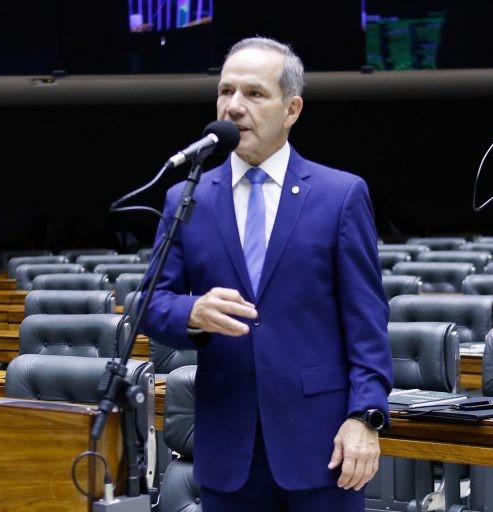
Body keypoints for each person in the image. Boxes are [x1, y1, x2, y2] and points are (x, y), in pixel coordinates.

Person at [141, 36, 394, 511]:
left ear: (292, 109)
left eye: (254, 94)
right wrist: (192, 311)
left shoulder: (339, 196)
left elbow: (367, 323)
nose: (234, 106)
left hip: (324, 449)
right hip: (227, 447)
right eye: (226, 91)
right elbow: (150, 305)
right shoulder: (188, 198)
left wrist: (366, 416)